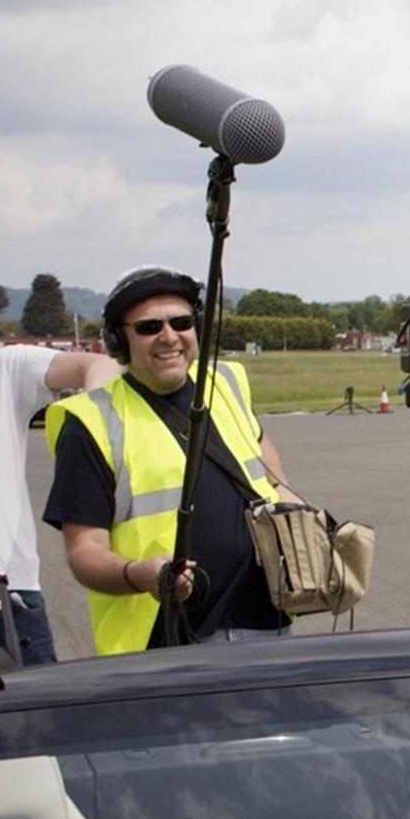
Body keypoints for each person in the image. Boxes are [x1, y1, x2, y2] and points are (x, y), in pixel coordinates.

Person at [43, 267, 295, 652]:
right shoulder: (91, 421)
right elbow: (84, 551)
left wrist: (297, 515)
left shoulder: (226, 383)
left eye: (181, 322)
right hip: (167, 642)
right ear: (118, 341)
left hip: (266, 624)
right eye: (148, 327)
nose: (169, 336)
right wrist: (140, 575)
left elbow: (263, 457)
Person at [0, 343, 119, 662]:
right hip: (2, 595)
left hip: (5, 595)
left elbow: (98, 365)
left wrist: (95, 418)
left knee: (37, 712)